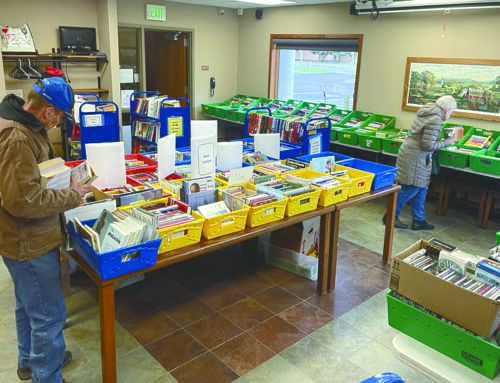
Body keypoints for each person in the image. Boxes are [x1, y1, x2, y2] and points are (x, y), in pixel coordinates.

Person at [0, 77, 93, 383]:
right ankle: (47, 375)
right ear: (49, 112)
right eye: (61, 117)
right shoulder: (18, 137)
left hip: (20, 239)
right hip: (28, 242)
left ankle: (31, 362)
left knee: (29, 307)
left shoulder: (24, 124)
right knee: (48, 314)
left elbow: (26, 183)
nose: (59, 124)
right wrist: (72, 194)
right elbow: (24, 200)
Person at [383, 95, 458, 230]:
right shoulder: (436, 119)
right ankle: (390, 216)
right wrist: (449, 142)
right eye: (452, 112)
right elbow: (427, 145)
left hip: (413, 155)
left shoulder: (429, 111)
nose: (451, 115)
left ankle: (419, 220)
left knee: (421, 188)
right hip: (415, 158)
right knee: (410, 188)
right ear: (447, 110)